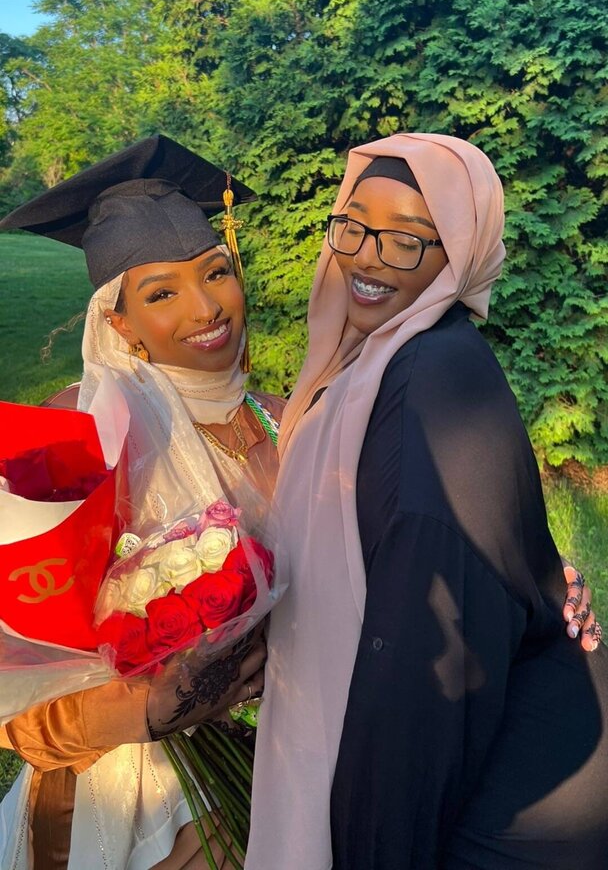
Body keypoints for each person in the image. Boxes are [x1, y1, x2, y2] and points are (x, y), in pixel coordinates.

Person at [245, 132, 608, 870]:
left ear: (461, 254)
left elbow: (426, 679)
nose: (368, 257)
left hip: (511, 803)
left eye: (409, 239)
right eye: (353, 225)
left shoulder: (430, 386)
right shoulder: (383, 361)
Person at [0, 135, 283, 870]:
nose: (206, 307)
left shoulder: (290, 420)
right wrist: (153, 708)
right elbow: (19, 696)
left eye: (216, 273)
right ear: (117, 322)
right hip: (144, 802)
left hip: (295, 762)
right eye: (161, 293)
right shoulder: (84, 440)